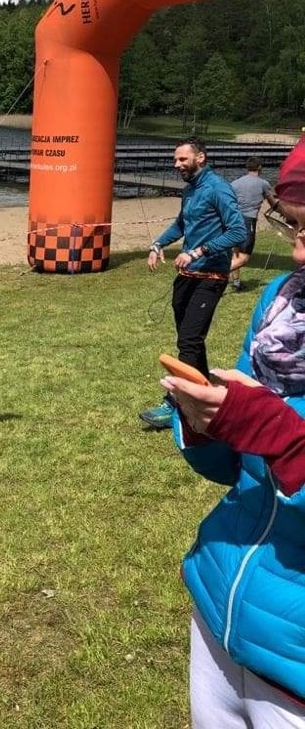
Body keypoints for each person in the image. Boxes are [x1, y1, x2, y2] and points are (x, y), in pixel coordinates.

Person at [158, 135, 305, 727]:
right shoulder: (282, 303)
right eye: (295, 226)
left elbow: (230, 235)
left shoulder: (216, 187)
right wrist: (205, 427)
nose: (299, 255)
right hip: (221, 610)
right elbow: (232, 468)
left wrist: (283, 437)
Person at [139, 137, 246, 430]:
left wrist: (199, 251)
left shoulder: (218, 189)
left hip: (210, 276)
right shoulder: (190, 191)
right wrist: (157, 244)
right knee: (190, 339)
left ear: (200, 158)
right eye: (175, 160)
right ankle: (205, 393)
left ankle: (175, 403)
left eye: (182, 160)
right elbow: (182, 224)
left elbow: (238, 231)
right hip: (186, 276)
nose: (177, 165)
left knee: (188, 339)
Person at [228, 156, 275, 291]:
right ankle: (217, 275)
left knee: (235, 252)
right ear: (260, 168)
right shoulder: (263, 183)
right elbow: (273, 203)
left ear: (247, 167)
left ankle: (236, 282)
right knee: (244, 257)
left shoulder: (235, 183)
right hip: (248, 221)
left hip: (233, 220)